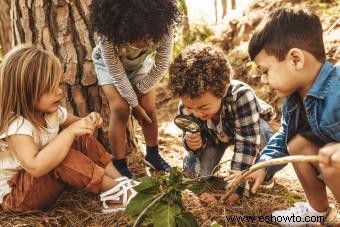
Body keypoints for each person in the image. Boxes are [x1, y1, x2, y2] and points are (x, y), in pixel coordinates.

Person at [0, 45, 138, 213]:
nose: (59, 92)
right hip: (17, 197)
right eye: (49, 88)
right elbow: (35, 167)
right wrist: (69, 132)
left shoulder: (51, 113)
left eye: (58, 84)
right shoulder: (17, 127)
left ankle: (121, 182)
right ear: (25, 92)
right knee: (63, 153)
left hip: (38, 185)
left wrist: (90, 120)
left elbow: (79, 125)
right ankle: (115, 192)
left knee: (80, 136)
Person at [246, 7, 340, 224]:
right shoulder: (293, 103)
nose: (262, 80)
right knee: (297, 144)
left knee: (333, 158)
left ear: (295, 59)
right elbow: (282, 139)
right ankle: (316, 211)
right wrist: (263, 166)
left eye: (265, 70)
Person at [168, 43, 275, 206]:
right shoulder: (187, 105)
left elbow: (246, 143)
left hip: (246, 131)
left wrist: (237, 187)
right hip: (213, 139)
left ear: (223, 90)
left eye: (203, 107)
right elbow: (189, 141)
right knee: (192, 175)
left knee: (263, 133)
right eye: (190, 108)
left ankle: (263, 174)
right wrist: (192, 144)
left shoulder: (241, 96)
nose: (197, 114)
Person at [89, 0, 181, 178]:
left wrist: (139, 95)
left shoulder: (164, 28)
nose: (141, 42)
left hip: (139, 66)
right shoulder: (108, 36)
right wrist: (133, 105)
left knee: (149, 107)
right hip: (109, 67)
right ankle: (119, 163)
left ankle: (153, 155)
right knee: (120, 109)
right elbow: (117, 74)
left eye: (146, 37)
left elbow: (161, 65)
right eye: (136, 36)